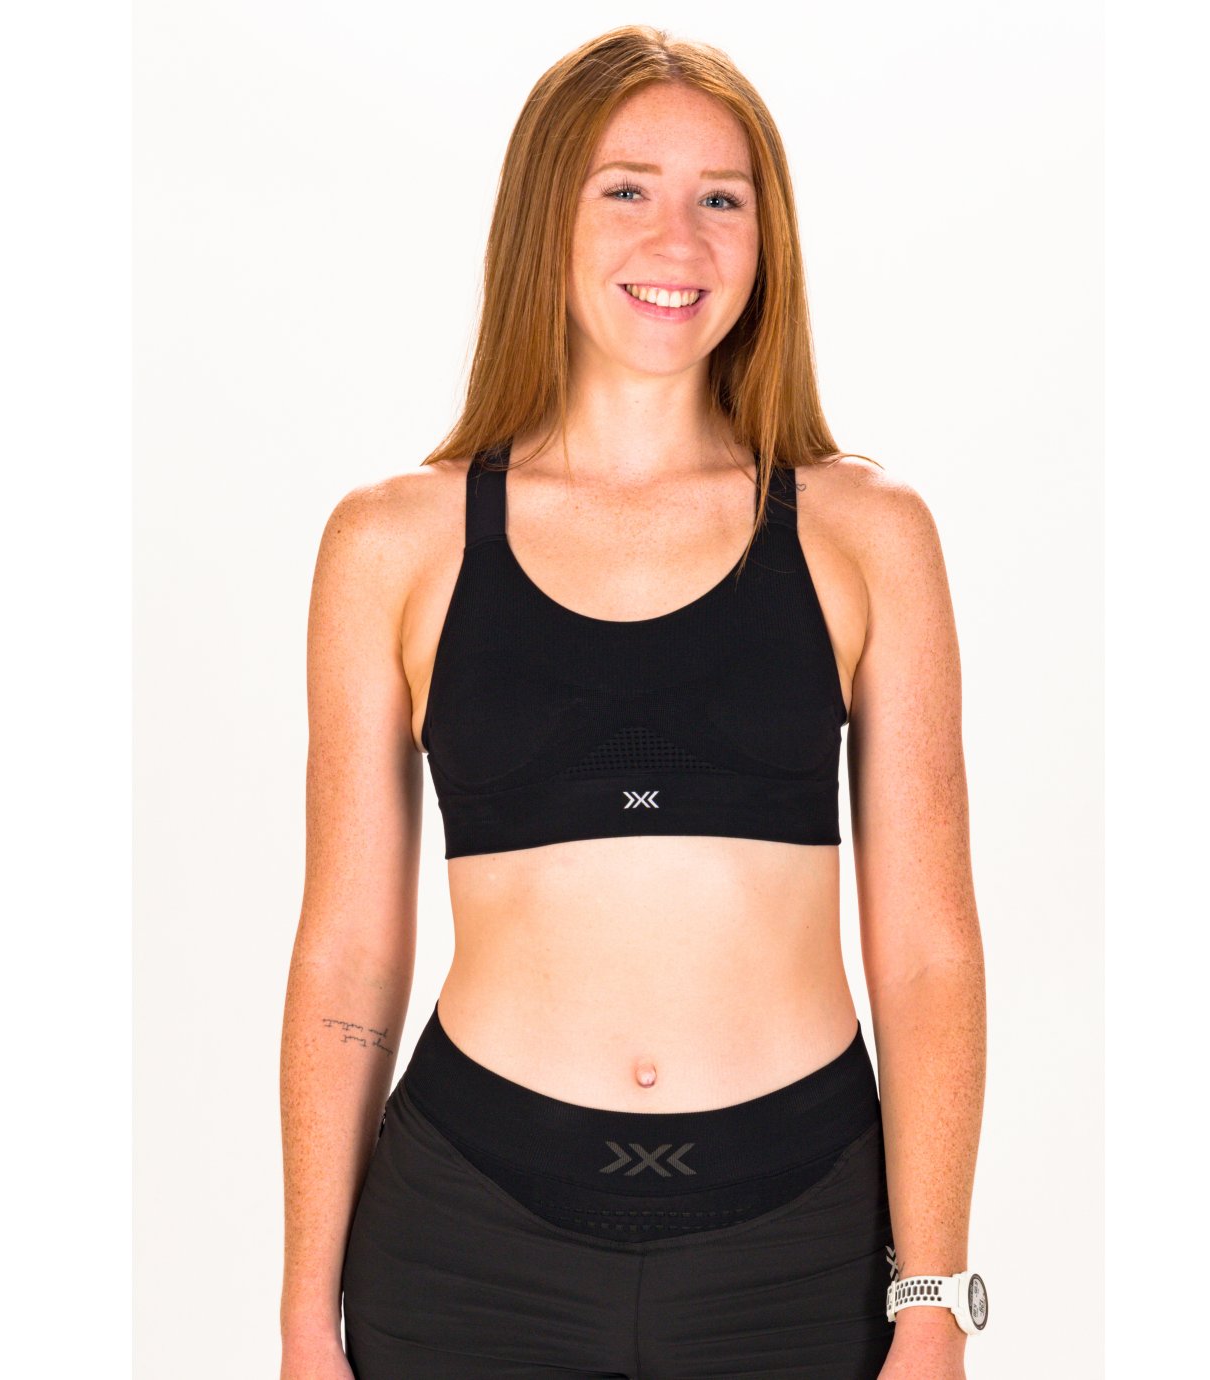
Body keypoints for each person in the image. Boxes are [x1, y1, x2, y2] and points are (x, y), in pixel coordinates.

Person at [280, 24, 985, 1380]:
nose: (681, 239)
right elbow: (348, 956)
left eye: (723, 198)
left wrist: (933, 1296)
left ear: (766, 240)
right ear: (544, 217)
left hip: (801, 1245)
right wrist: (308, 1321)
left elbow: (926, 952)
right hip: (470, 1238)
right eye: (626, 188)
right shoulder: (395, 543)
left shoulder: (865, 533)